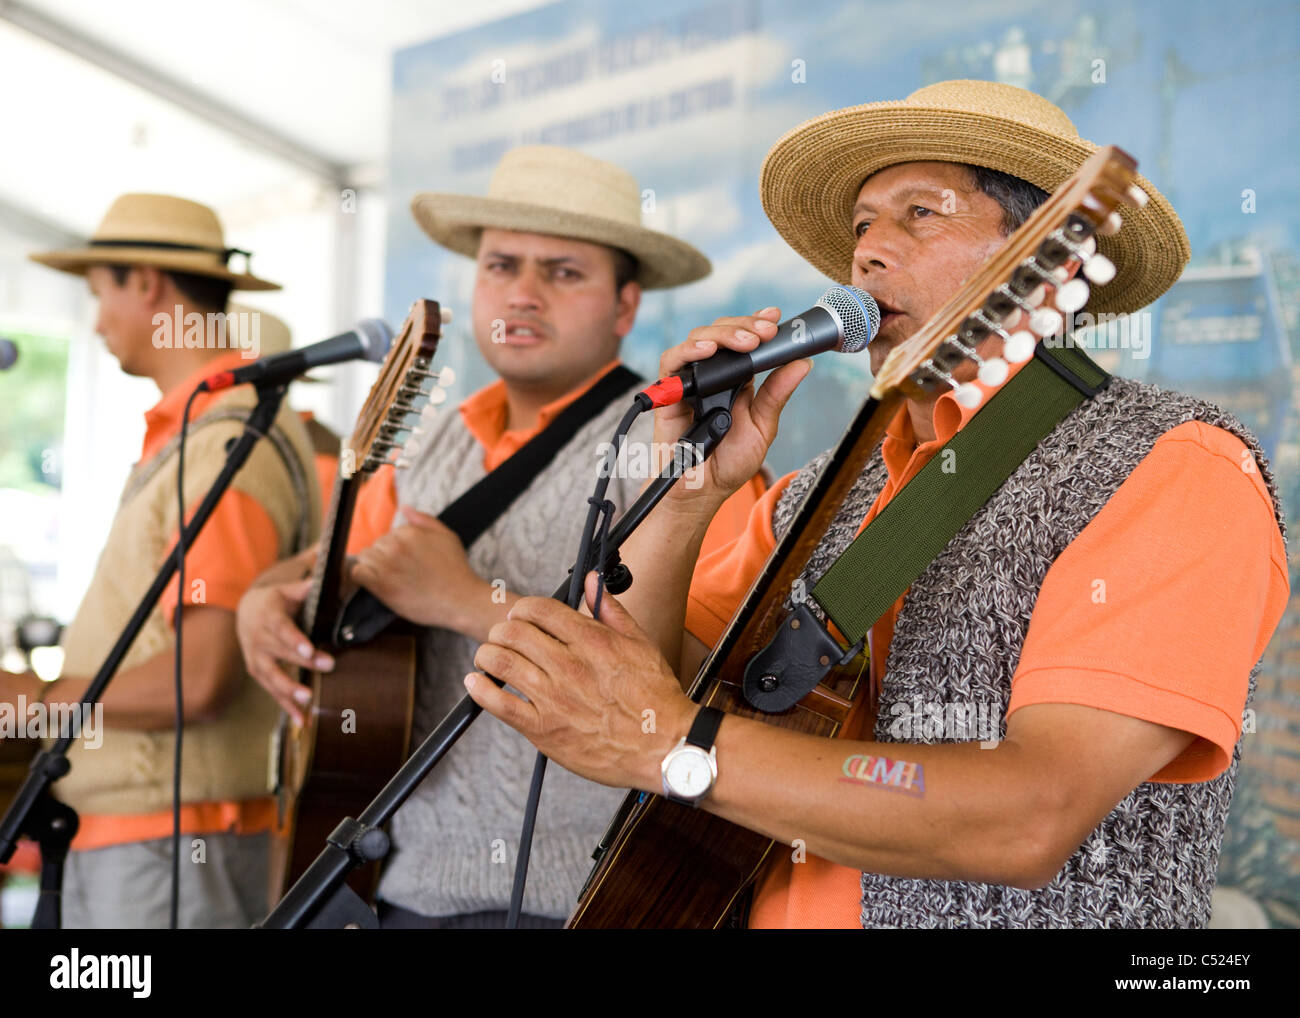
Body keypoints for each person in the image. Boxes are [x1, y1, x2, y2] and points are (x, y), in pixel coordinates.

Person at [463, 81, 1290, 928]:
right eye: (862, 225)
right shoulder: (815, 491)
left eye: (922, 214)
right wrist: (683, 494)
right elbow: (636, 688)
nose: (867, 253)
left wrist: (680, 746)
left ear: (1054, 261)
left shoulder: (1175, 464)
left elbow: (1032, 816)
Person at [237, 146, 766, 928]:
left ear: (625, 307)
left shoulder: (686, 446)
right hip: (391, 881)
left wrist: (463, 600)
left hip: (570, 898)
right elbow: (333, 564)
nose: (521, 293)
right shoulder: (438, 440)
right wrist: (255, 602)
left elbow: (719, 683)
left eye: (562, 272)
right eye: (500, 266)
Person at [1, 194, 321, 927]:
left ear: (146, 283)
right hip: (147, 842)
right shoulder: (203, 434)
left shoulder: (223, 442)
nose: (97, 319)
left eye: (101, 292)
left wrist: (28, 697)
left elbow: (201, 679)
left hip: (167, 848)